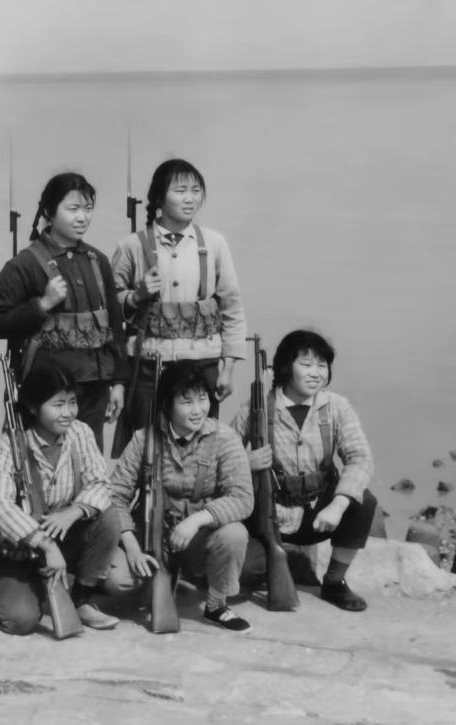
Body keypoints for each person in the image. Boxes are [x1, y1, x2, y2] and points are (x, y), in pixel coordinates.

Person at [110, 158, 246, 457]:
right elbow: (110, 307)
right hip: (148, 367)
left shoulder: (214, 243)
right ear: (160, 196)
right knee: (146, 450)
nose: (190, 198)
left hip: (202, 366)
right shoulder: (131, 246)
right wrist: (137, 295)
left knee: (202, 450)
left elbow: (231, 306)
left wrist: (229, 368)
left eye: (196, 190)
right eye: (180, 190)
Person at [232, 329, 376, 612]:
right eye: (306, 365)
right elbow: (221, 458)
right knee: (244, 575)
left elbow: (361, 459)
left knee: (364, 501)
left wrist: (338, 504)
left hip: (320, 514)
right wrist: (245, 464)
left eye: (322, 366)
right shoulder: (255, 407)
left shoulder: (336, 406)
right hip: (267, 516)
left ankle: (334, 582)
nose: (316, 373)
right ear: (286, 367)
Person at [106, 361, 254, 632]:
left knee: (234, 535)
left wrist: (197, 520)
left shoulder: (224, 438)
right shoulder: (144, 440)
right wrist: (132, 546)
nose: (198, 410)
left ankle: (215, 605)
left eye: (202, 399)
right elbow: (115, 495)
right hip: (150, 540)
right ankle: (158, 582)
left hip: (198, 541)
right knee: (117, 580)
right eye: (186, 402)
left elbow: (243, 497)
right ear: (166, 405)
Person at [0, 172, 128, 449]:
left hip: (94, 388)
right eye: (72, 209)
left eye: (88, 209)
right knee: (40, 465)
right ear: (50, 212)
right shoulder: (24, 264)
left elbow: (115, 325)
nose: (82, 217)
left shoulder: (98, 261)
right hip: (43, 391)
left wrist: (120, 382)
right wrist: (41, 305)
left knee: (88, 462)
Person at [0, 364, 121, 635]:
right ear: (33, 407)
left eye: (72, 403)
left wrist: (74, 512)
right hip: (15, 553)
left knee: (108, 515)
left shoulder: (80, 432)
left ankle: (81, 598)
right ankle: (0, 589)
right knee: (21, 621)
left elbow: (101, 484)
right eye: (58, 404)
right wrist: (45, 545)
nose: (67, 412)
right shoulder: (7, 446)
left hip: (62, 540)